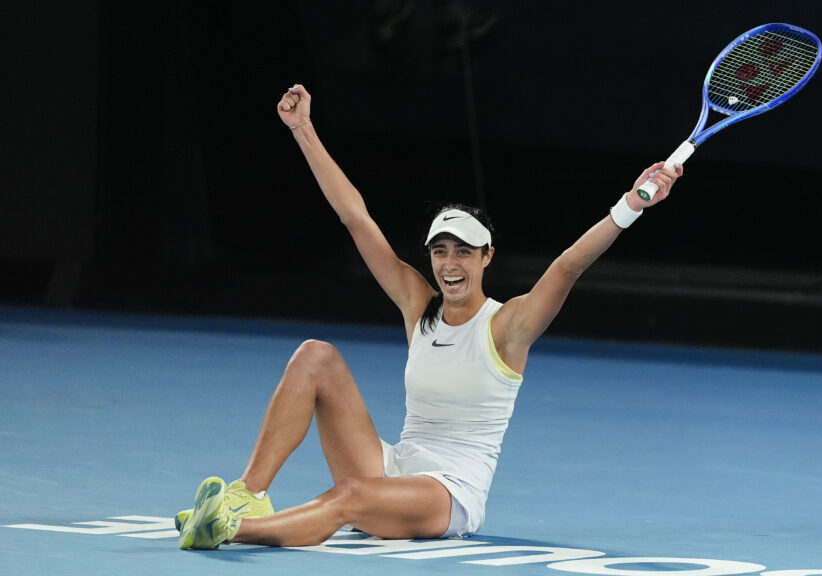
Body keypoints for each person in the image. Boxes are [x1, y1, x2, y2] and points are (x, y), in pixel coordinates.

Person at [177, 84, 681, 549]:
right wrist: (302, 129)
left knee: (350, 495)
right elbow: (356, 218)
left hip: (448, 494)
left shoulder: (509, 327)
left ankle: (229, 528)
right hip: (394, 467)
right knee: (316, 356)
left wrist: (633, 203)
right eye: (440, 251)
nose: (450, 263)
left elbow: (568, 266)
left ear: (487, 257)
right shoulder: (419, 308)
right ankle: (247, 493)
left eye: (464, 251)